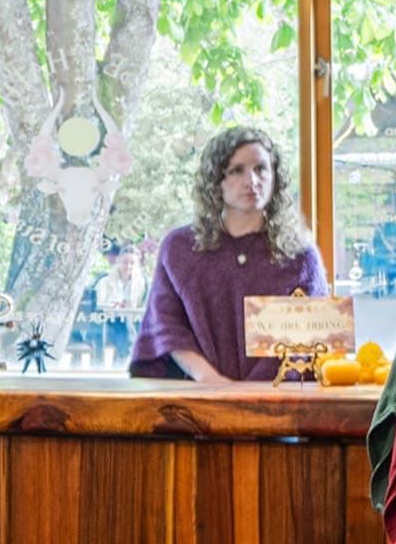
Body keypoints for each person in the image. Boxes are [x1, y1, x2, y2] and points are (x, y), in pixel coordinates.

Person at [129, 122, 325, 383]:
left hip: (281, 403)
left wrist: (258, 391)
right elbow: (166, 325)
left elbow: (312, 337)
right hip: (199, 405)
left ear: (274, 176)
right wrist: (210, 380)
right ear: (216, 181)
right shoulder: (179, 249)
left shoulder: (300, 254)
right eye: (236, 171)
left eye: (261, 169)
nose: (251, 181)